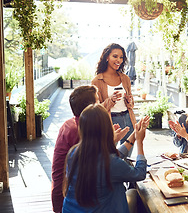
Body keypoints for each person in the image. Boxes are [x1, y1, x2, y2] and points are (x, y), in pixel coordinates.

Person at [51, 85, 131, 213]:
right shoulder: (79, 130)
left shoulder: (71, 124)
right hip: (73, 197)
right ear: (90, 108)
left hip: (71, 192)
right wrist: (112, 141)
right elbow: (101, 164)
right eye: (98, 102)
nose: (101, 105)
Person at [62, 104, 149, 213]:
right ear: (106, 128)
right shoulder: (110, 163)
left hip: (72, 210)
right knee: (134, 193)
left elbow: (112, 158)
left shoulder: (73, 152)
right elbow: (139, 173)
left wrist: (135, 135)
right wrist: (140, 142)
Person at [92, 43, 135, 146]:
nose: (119, 60)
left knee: (126, 154)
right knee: (110, 154)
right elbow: (95, 108)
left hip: (128, 118)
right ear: (107, 57)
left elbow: (131, 104)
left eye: (121, 57)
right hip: (110, 120)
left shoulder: (125, 78)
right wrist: (110, 100)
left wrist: (129, 101)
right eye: (115, 56)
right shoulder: (97, 81)